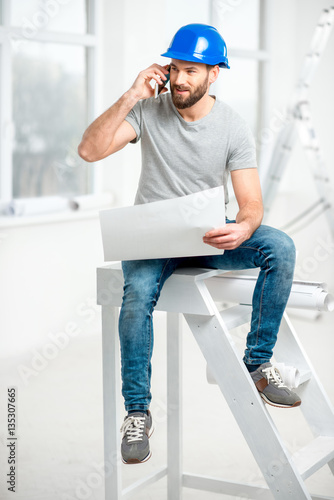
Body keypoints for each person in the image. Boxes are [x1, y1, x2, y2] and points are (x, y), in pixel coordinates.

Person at [78, 23, 301, 465]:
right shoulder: (149, 110)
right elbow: (89, 150)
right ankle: (138, 412)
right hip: (151, 238)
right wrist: (131, 95)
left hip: (207, 233)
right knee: (137, 295)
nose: (180, 79)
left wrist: (242, 226)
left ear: (214, 73)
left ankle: (256, 362)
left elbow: (251, 203)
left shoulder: (232, 126)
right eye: (175, 68)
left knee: (281, 247)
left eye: (192, 71)